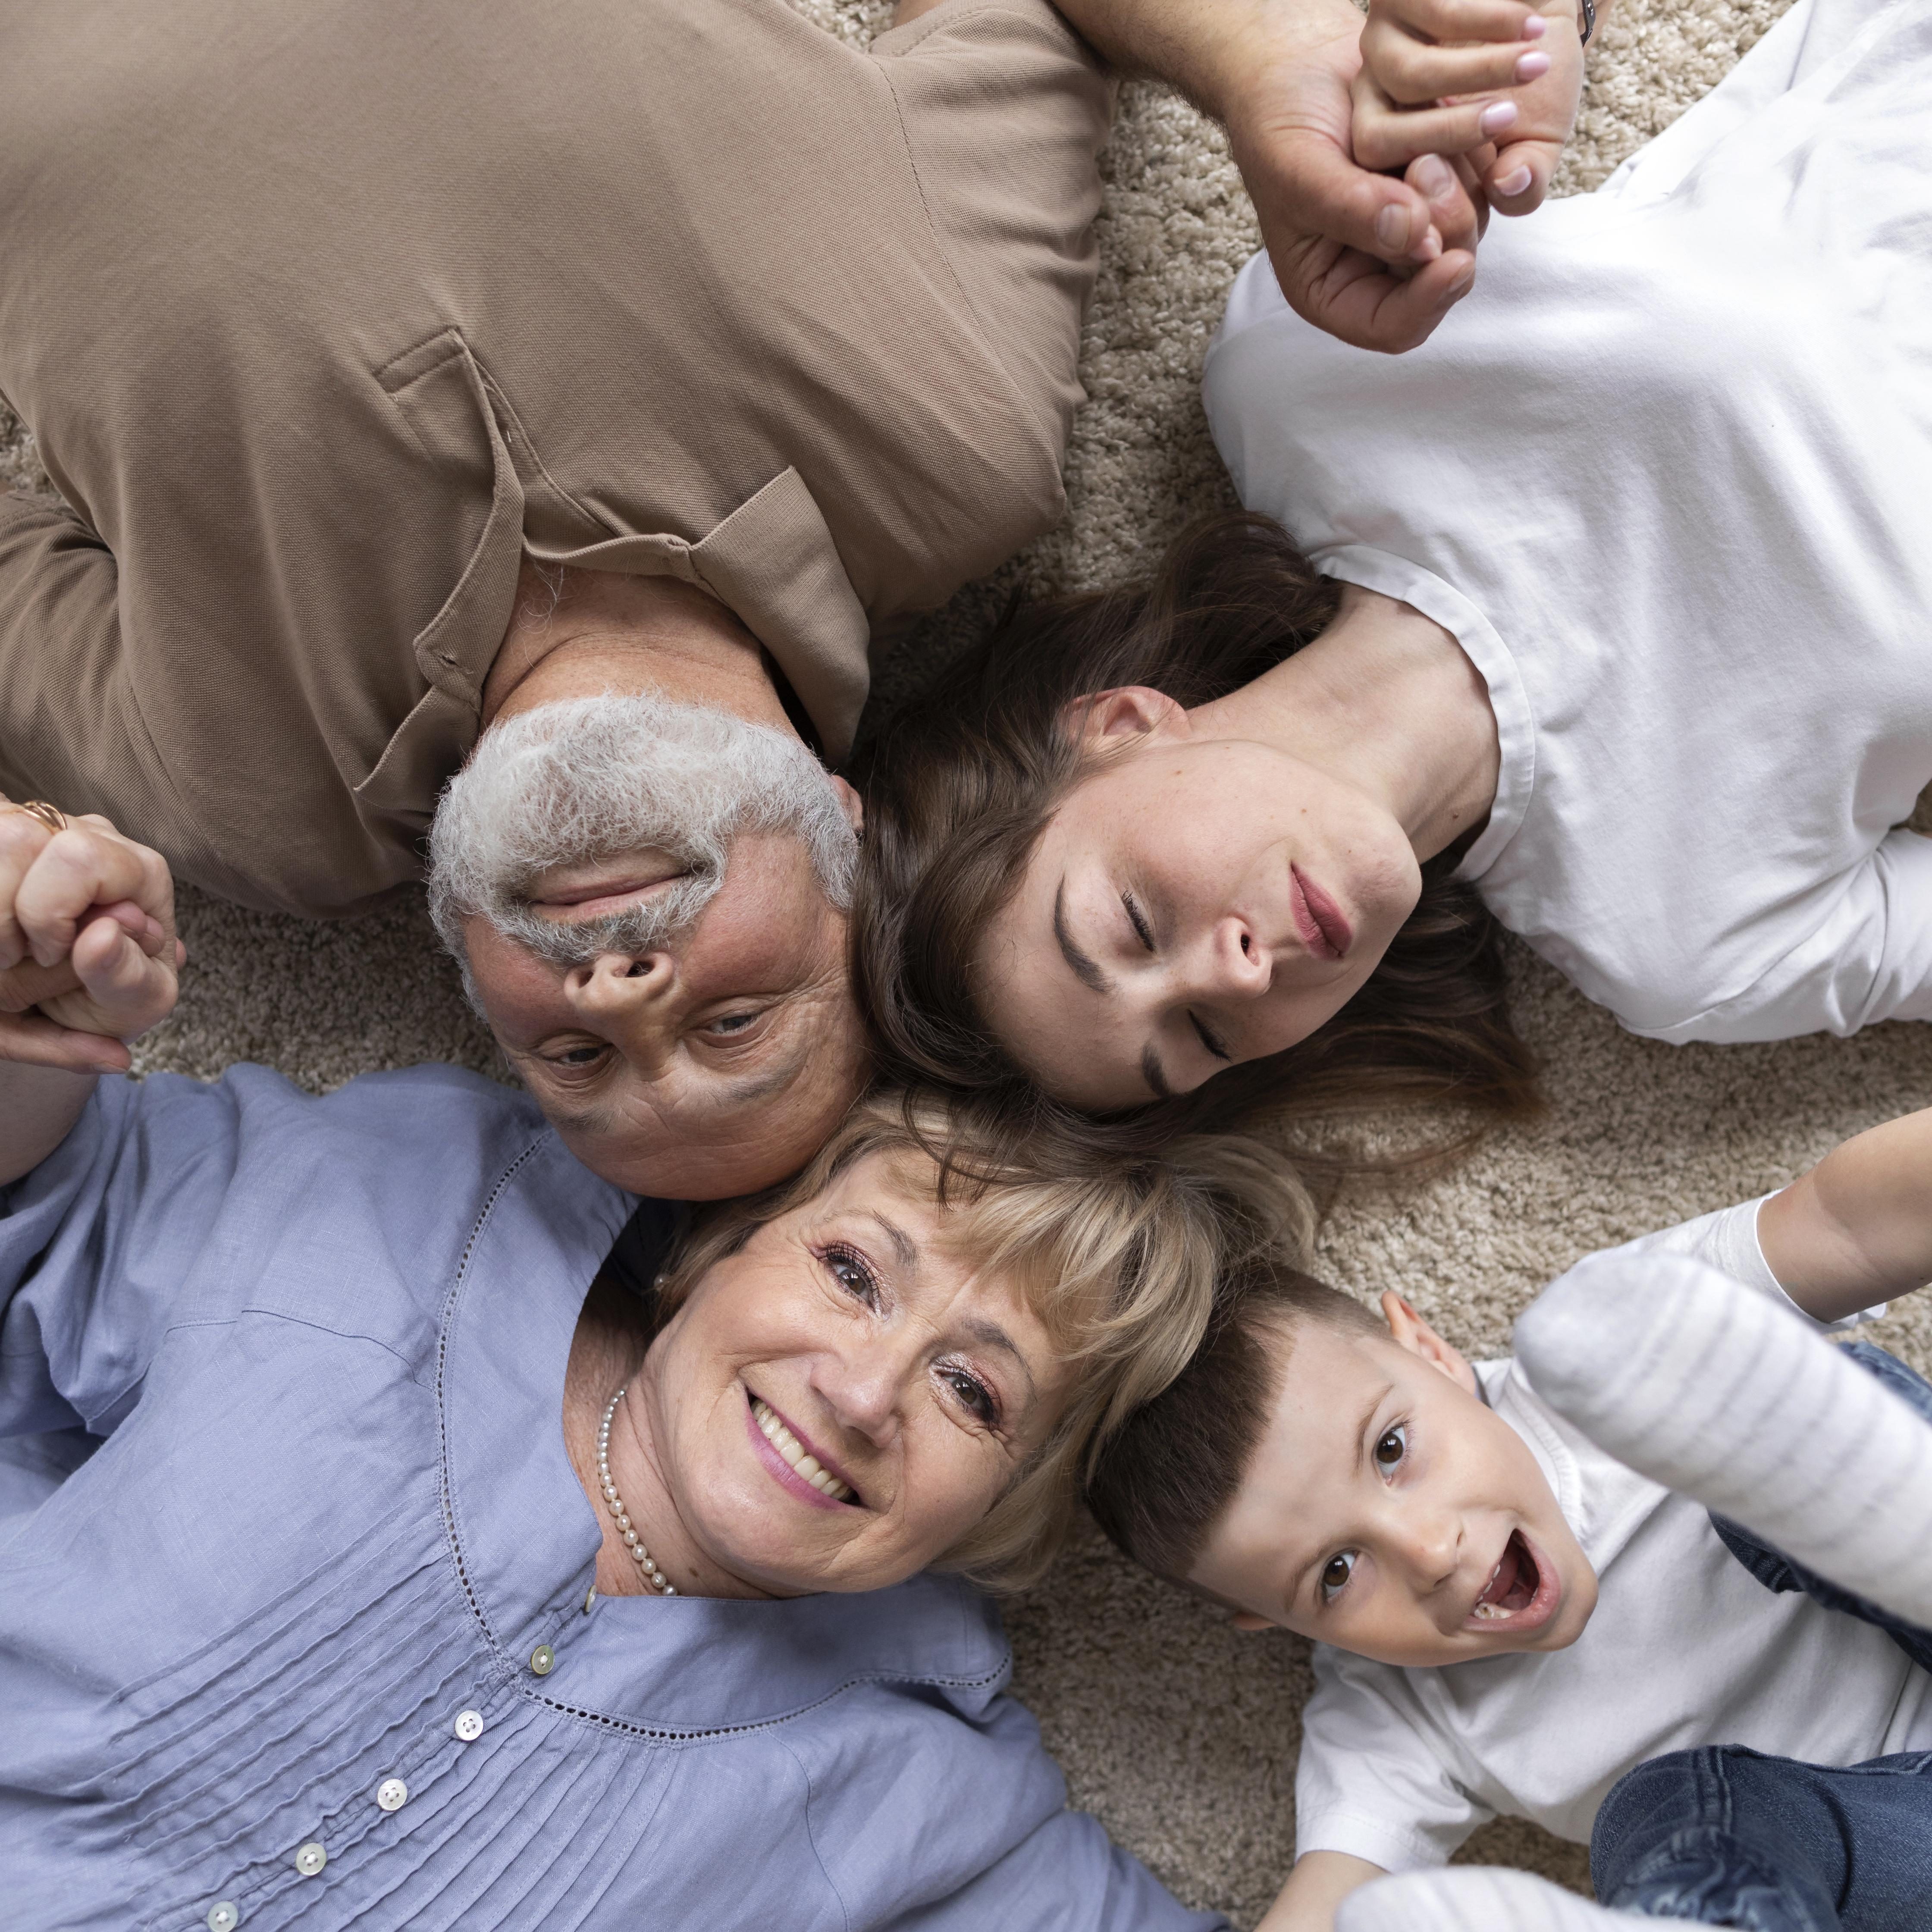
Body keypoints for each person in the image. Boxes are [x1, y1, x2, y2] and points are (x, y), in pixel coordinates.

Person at [0, 0, 1551, 1201]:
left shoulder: (249, 800)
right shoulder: (952, 443)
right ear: (847, 840)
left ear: (471, 965)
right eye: (731, 1028)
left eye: (574, 1055)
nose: (623, 990)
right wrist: (1260, 67)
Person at [0, 802, 1311, 1932]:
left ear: (1014, 1497)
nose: (861, 1396)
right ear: (727, 1237)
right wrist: (26, 964)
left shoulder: (944, 1813)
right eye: (853, 1273)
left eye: (976, 1393)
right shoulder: (408, 1217)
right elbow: (51, 1197)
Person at [853, 0, 1932, 1134]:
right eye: (1205, 1040)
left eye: (1130, 923)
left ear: (1121, 725)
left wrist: (1513, 48)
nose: (1232, 977)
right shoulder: (1681, 942)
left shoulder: (1300, 374)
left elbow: (1477, 45)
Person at [1085, 1102, 1932, 1931]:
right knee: (1682, 1807)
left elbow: (1840, 1225)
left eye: (1388, 1449)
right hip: (1900, 1839)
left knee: (1756, 1408)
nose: (1427, 1548)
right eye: (1334, 1572)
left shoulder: (1597, 1354)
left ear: (1427, 1351)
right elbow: (1328, 1907)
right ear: (1266, 1617)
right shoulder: (1392, 1722)